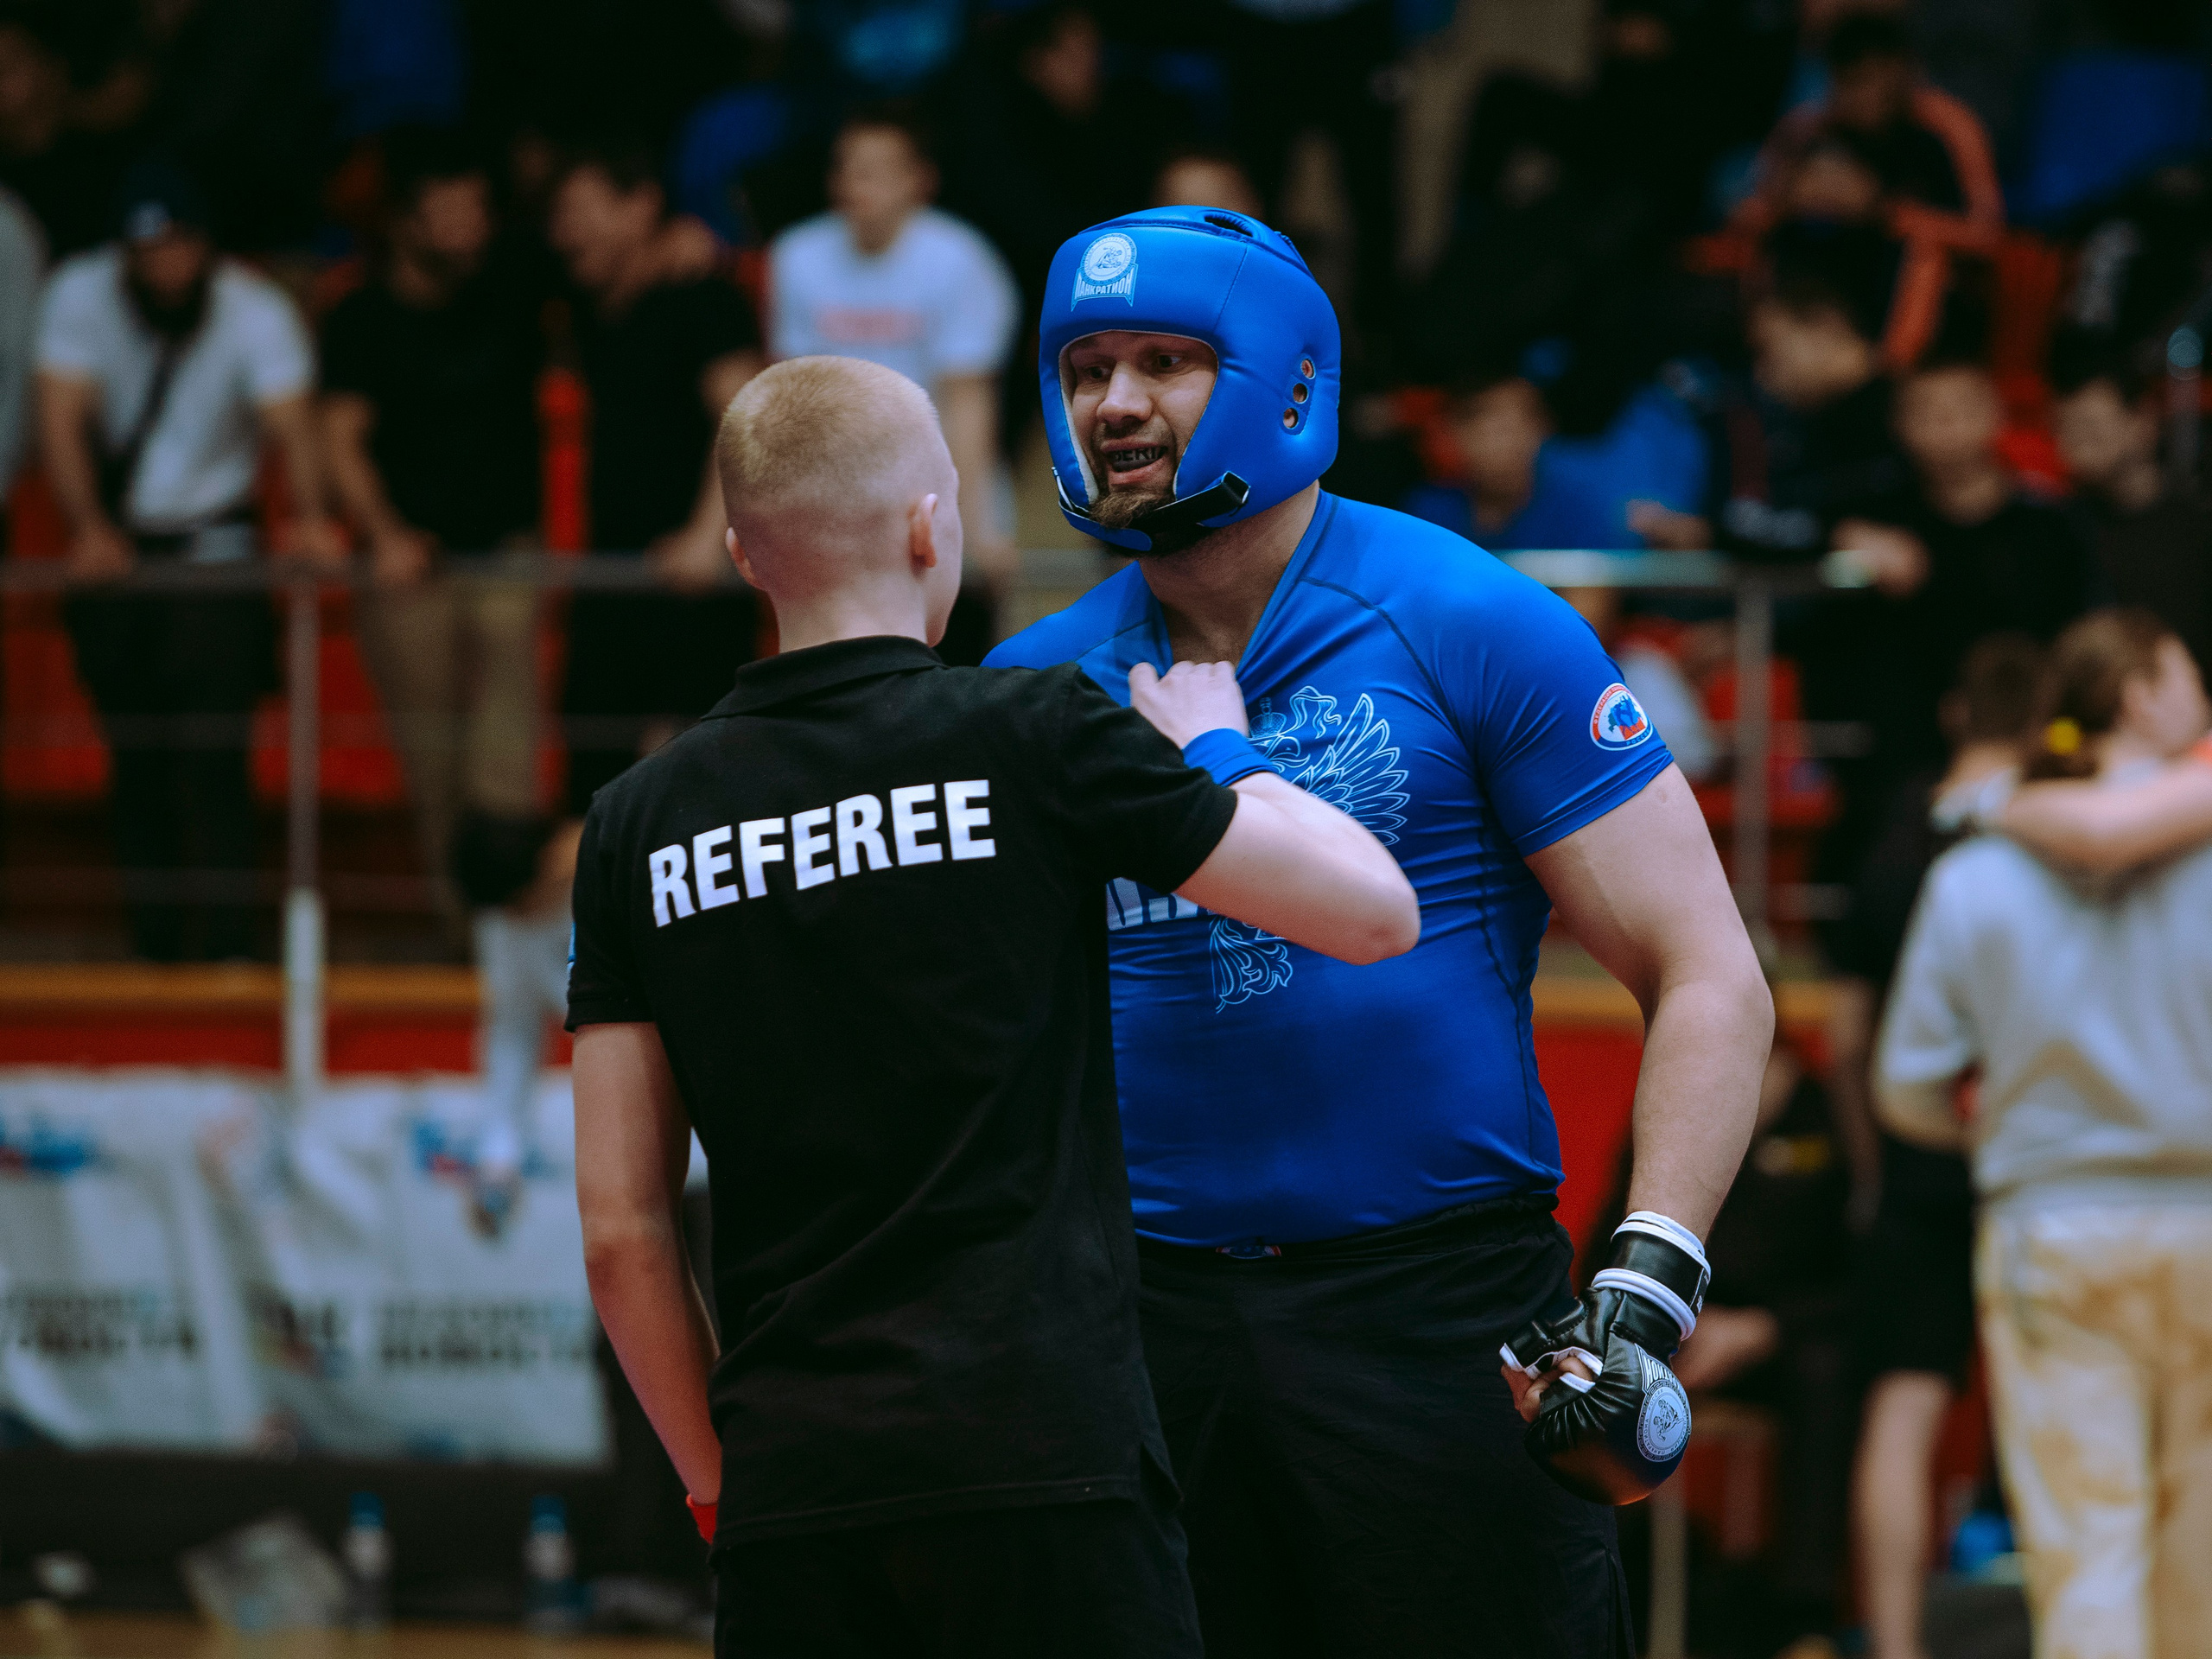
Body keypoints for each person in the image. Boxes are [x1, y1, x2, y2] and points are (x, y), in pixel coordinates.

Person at [987, 207, 1773, 1656]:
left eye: (1163, 360)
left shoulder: (1469, 620)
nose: (1115, 402)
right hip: (1146, 1326)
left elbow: (1707, 965)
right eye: (1089, 364)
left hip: (1440, 1316)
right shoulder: (1031, 685)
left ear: (1286, 379)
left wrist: (1649, 1281)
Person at [568, 353, 1420, 1656]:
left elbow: (624, 1230)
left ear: (744, 553)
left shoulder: (636, 824)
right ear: (930, 525)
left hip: (796, 1491)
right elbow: (1374, 912)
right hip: (1043, 1463)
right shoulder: (1031, 733)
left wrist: (715, 1481)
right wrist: (1219, 748)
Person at [1878, 608, 2212, 1659]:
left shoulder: (1977, 866)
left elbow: (1906, 1086)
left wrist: (2000, 1140)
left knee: (2086, 1552)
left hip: (2050, 1224)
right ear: (2143, 687)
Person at [35, 156, 338, 962]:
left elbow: (290, 421)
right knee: (135, 756)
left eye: (174, 247)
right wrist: (87, 526)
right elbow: (58, 417)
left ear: (204, 246)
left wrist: (308, 517)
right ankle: (157, 947)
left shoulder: (253, 309)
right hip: (123, 557)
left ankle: (232, 947)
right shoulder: (78, 293)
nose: (161, 267)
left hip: (218, 548)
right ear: (121, 257)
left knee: (215, 757)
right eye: (144, 254)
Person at [1828, 634, 2044, 1659]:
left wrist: (1876, 1167)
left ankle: (1898, 1647)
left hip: (1916, 1166)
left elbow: (1846, 1036)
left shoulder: (1894, 834)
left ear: (1959, 712)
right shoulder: (2054, 838)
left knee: (1901, 1413)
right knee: (2063, 1413)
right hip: (2037, 1161)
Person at [321, 128, 546, 936]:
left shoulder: (518, 275)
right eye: (448, 214)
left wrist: (683, 236)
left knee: (507, 752)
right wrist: (383, 534)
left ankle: (514, 919)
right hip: (406, 562)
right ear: (403, 225)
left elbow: (606, 262)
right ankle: (467, 933)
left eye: (478, 209)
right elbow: (339, 438)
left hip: (508, 549)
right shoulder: (360, 317)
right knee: (434, 763)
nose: (470, 228)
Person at [549, 137, 763, 813]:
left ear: (642, 207)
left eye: (585, 210)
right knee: (589, 784)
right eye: (561, 213)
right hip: (609, 578)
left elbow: (747, 411)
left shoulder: (702, 297)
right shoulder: (586, 304)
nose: (568, 230)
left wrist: (706, 534)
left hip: (692, 584)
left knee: (694, 791)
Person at [767, 108, 1020, 618]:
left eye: (879, 169)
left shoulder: (960, 258)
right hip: (835, 507)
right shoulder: (796, 256)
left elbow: (967, 401)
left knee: (950, 672)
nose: (859, 184)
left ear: (920, 179)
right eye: (848, 168)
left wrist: (967, 526)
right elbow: (792, 397)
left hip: (937, 493)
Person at [2051, 346, 2212, 672]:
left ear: (2144, 422)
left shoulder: (2198, 522)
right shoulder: (2059, 529)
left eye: (2092, 428)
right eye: (2067, 428)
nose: (2079, 445)